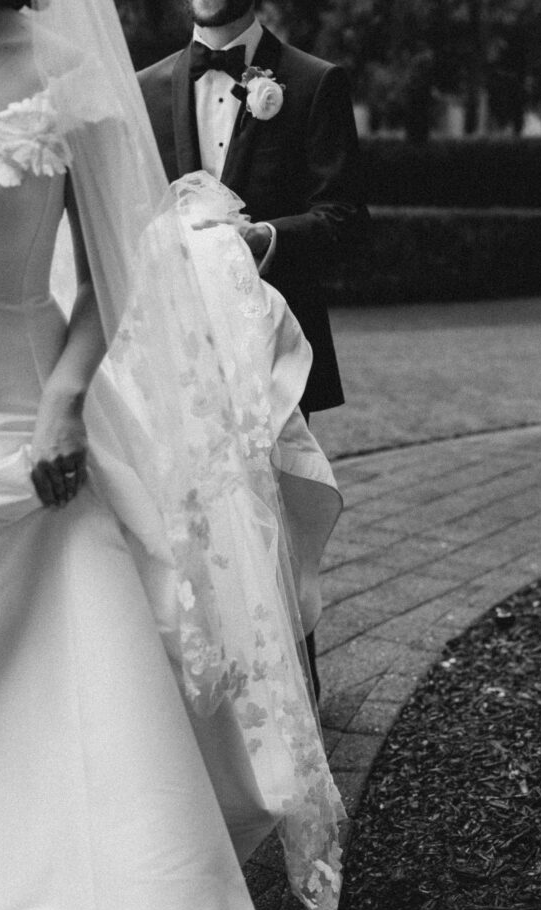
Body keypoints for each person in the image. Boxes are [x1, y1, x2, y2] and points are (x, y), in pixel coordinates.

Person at [0, 1, 343, 910]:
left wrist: (65, 403)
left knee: (39, 673)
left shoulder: (69, 74)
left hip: (21, 427)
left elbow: (123, 262)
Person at [138, 0, 366, 699]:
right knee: (190, 520)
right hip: (174, 350)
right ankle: (210, 701)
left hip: (275, 347)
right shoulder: (145, 86)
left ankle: (296, 699)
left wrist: (257, 240)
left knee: (277, 516)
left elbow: (344, 219)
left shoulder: (314, 80)